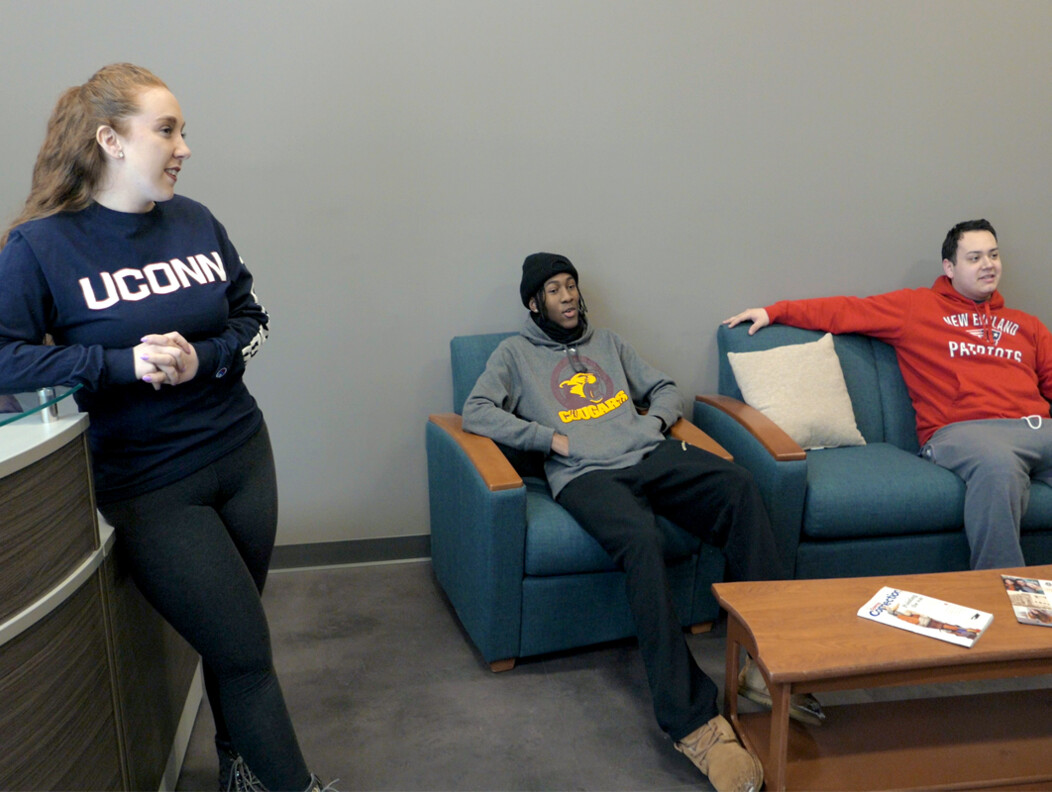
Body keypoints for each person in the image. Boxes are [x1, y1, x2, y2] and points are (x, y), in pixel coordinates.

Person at [0, 64, 333, 792]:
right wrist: (120, 363)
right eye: (167, 130)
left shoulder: (197, 221)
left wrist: (202, 359)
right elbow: (3, 360)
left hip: (242, 453)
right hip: (152, 485)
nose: (183, 147)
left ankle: (239, 765)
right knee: (247, 652)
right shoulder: (41, 247)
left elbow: (253, 321)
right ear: (110, 139)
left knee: (229, 637)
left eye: (183, 131)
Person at [463, 253, 790, 792]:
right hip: (585, 475)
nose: (567, 297)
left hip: (647, 455)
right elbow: (476, 410)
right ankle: (694, 724)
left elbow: (664, 387)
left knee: (739, 486)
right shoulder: (514, 354)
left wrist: (654, 422)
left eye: (571, 286)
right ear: (533, 302)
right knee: (642, 541)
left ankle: (767, 660)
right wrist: (546, 439)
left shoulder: (608, 343)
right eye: (554, 290)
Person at [725, 219, 1052, 572]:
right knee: (998, 468)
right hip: (966, 433)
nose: (988, 264)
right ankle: (1002, 590)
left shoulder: (1026, 324)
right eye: (974, 257)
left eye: (993, 255)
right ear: (950, 267)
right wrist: (776, 311)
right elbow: (846, 311)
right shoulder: (916, 309)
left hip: (1035, 428)